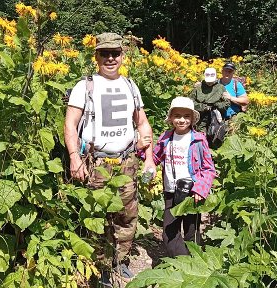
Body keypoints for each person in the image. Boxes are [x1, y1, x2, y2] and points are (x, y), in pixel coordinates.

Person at [64, 32, 155, 285]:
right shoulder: (85, 86)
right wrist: (74, 157)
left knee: (127, 214)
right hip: (96, 162)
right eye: (105, 53)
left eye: (115, 53)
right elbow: (70, 125)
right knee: (97, 215)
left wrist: (149, 159)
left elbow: (143, 124)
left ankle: (120, 260)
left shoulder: (130, 85)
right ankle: (101, 266)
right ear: (97, 56)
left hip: (126, 161)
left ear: (122, 56)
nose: (111, 58)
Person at [139, 97, 215, 257]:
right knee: (169, 232)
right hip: (171, 191)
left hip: (192, 194)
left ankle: (193, 265)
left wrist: (200, 190)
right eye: (177, 116)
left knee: (191, 232)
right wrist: (141, 149)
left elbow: (208, 168)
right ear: (171, 118)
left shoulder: (199, 140)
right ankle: (182, 261)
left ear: (193, 119)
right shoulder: (166, 138)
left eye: (186, 116)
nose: (182, 120)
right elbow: (154, 159)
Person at [189, 67, 230, 147]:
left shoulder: (220, 88)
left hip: (215, 117)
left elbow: (227, 103)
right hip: (200, 117)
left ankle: (212, 154)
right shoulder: (198, 88)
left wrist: (216, 105)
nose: (210, 83)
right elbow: (190, 102)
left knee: (215, 137)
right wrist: (203, 107)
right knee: (200, 138)